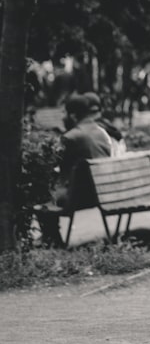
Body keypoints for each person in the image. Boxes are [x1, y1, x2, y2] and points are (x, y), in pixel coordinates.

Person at [36, 93, 113, 247]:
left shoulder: (71, 137)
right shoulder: (102, 132)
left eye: (65, 113)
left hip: (78, 198)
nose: (63, 116)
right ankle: (51, 239)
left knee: (40, 192)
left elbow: (50, 165)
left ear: (73, 115)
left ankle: (52, 239)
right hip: (104, 192)